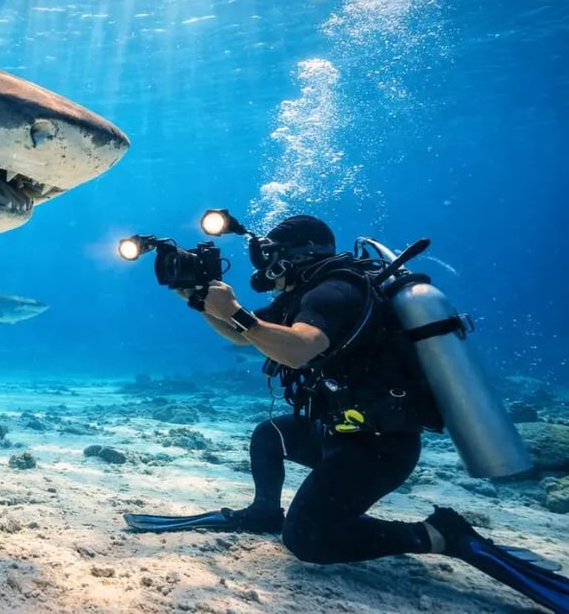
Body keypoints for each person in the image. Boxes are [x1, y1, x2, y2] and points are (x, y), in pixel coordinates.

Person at [123, 215, 569, 613]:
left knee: (308, 540)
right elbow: (246, 337)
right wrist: (198, 300)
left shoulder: (336, 291)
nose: (262, 267)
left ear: (291, 256)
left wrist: (237, 313)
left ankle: (438, 534)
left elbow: (298, 349)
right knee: (270, 435)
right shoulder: (305, 294)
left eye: (269, 257)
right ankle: (263, 512)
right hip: (338, 431)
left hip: (378, 448)